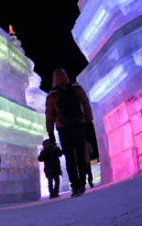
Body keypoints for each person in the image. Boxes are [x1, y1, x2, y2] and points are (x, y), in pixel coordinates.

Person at [45, 68, 93, 197]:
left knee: (70, 158)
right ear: (66, 76)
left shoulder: (52, 95)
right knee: (81, 155)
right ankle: (82, 183)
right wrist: (89, 120)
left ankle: (75, 186)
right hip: (79, 125)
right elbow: (86, 103)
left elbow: (49, 115)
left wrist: (50, 132)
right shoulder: (76, 88)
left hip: (63, 128)